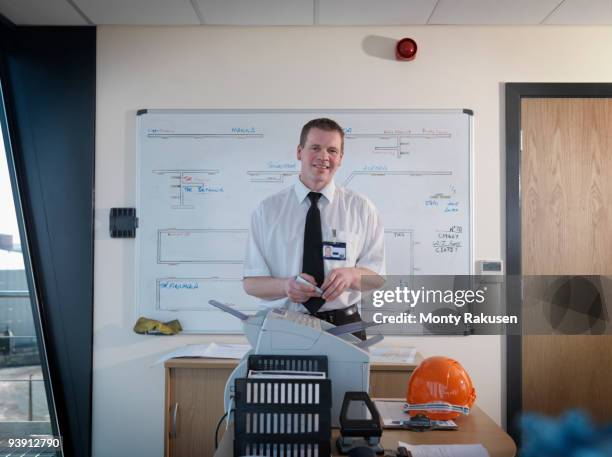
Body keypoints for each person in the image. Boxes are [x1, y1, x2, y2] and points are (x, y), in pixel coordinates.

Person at [243, 118, 385, 339]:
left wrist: (351, 275)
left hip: (345, 327)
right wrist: (286, 287)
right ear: (299, 152)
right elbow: (251, 284)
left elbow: (376, 277)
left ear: (340, 158)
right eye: (315, 148)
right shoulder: (267, 211)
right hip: (284, 327)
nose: (323, 157)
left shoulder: (362, 208)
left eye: (332, 150)